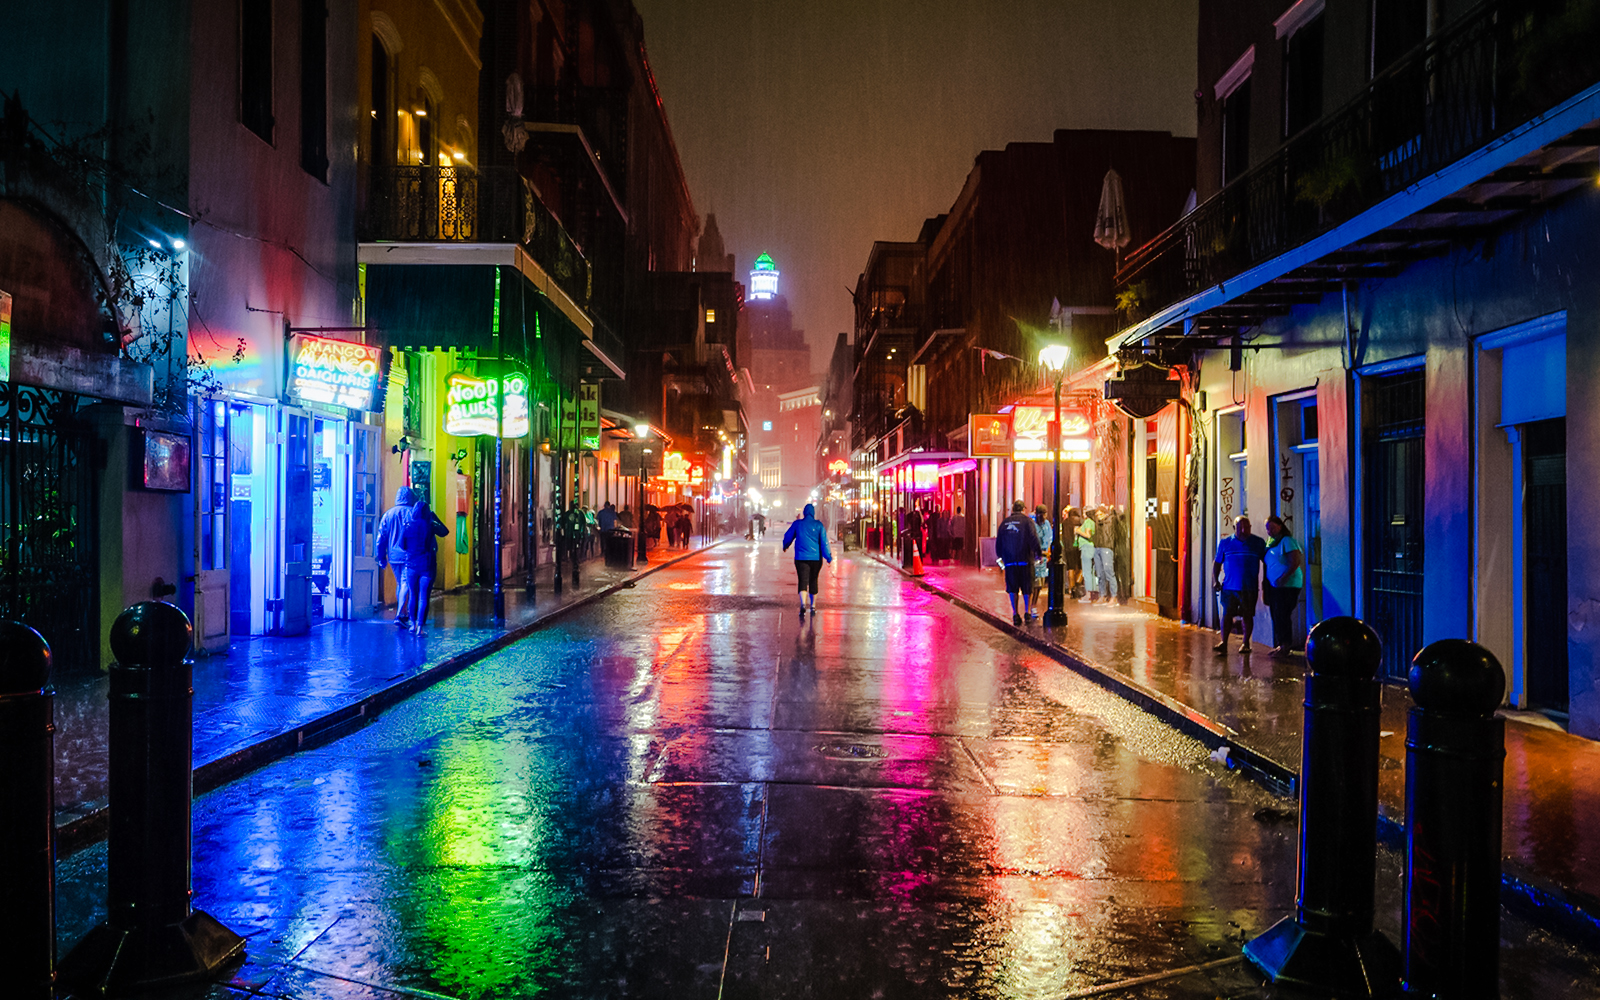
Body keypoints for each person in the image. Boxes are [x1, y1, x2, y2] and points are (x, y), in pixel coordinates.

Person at [1213, 515, 1268, 654]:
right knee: (1227, 615)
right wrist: (1215, 580)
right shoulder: (1225, 543)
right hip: (1229, 587)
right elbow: (1217, 562)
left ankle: (1245, 643)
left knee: (1247, 615)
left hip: (1249, 587)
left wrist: (1266, 580)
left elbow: (1267, 561)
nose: (1244, 530)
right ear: (1234, 528)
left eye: (1247, 527)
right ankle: (1223, 642)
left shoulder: (1258, 542)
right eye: (1240, 527)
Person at [398, 496, 448, 634]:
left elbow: (402, 545)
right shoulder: (430, 526)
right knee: (424, 597)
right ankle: (420, 628)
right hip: (427, 565)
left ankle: (412, 624)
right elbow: (445, 531)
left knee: (413, 595)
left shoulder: (407, 525)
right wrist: (434, 517)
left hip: (411, 565)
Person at [1263, 514, 1306, 657]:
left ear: (1280, 526)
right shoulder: (1272, 543)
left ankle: (1286, 646)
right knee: (1277, 614)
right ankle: (1281, 644)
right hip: (1276, 586)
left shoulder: (1287, 541)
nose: (1270, 532)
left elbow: (1295, 561)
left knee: (1283, 614)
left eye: (1272, 528)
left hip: (1287, 585)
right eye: (1268, 529)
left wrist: (1283, 578)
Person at [782, 502, 833, 618]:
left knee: (803, 581)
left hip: (801, 558)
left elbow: (788, 536)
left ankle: (803, 604)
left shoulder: (798, 524)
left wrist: (785, 546)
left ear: (804, 513)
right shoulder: (819, 525)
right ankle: (813, 606)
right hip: (816, 558)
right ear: (813, 513)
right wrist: (828, 557)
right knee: (813, 581)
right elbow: (824, 543)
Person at [996, 500, 1042, 625]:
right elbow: (1033, 538)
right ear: (1023, 509)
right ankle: (1027, 612)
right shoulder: (1028, 522)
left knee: (1012, 588)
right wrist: (1038, 554)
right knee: (1027, 587)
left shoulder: (1004, 523)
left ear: (1012, 509)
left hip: (1010, 561)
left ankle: (1015, 613)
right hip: (1025, 559)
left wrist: (1001, 556)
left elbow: (999, 541)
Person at [375, 486, 416, 628]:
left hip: (393, 556)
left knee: (401, 583)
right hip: (409, 554)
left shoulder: (388, 514)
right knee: (406, 583)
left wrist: (381, 557)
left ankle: (403, 612)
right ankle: (400, 614)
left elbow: (381, 539)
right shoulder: (413, 513)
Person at [1090, 504, 1118, 603]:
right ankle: (1102, 595)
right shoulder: (1098, 521)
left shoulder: (1110, 520)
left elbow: (1116, 515)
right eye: (1097, 515)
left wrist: (1109, 509)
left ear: (1106, 514)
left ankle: (1113, 596)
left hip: (1107, 547)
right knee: (1100, 573)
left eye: (1101, 514)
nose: (1098, 516)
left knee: (1108, 571)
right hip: (1098, 547)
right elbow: (1089, 513)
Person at [1030, 504, 1053, 618]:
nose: (1043, 517)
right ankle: (1031, 606)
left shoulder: (1047, 524)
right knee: (1034, 582)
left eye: (1044, 514)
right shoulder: (1032, 524)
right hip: (1034, 556)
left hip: (1044, 556)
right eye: (1040, 514)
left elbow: (1050, 537)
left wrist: (1048, 551)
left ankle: (1033, 605)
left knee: (1040, 583)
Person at [1063, 507, 1086, 597]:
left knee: (1070, 568)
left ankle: (1071, 588)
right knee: (1081, 567)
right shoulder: (1080, 521)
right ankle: (1077, 584)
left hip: (1068, 548)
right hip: (1079, 547)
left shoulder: (1065, 522)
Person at [1074, 510, 1097, 600]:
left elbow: (1088, 535)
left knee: (1086, 571)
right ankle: (1093, 593)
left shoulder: (1088, 522)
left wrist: (1078, 531)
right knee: (1091, 571)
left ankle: (1088, 595)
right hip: (1091, 547)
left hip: (1086, 547)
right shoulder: (1093, 522)